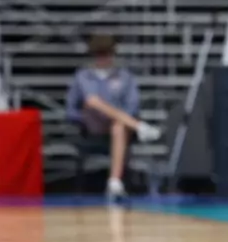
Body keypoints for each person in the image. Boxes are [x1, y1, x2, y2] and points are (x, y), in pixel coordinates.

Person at [65, 34, 159, 205]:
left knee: (118, 126)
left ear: (112, 54)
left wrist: (117, 115)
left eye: (106, 54)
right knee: (92, 101)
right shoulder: (82, 77)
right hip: (93, 125)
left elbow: (133, 106)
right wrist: (83, 118)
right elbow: (71, 110)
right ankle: (140, 127)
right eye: (99, 54)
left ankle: (114, 181)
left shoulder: (125, 77)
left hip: (119, 126)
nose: (103, 58)